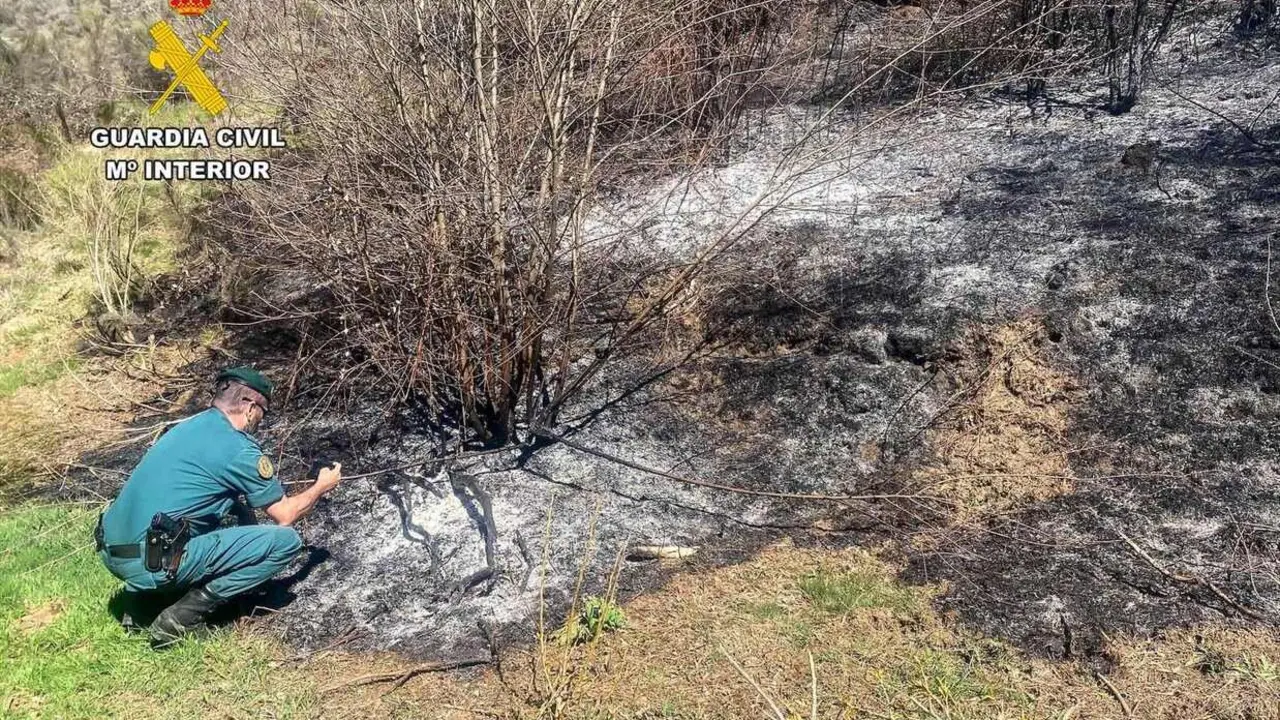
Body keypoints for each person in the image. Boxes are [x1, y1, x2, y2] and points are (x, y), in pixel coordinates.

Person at [96, 366, 342, 647]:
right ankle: (180, 619)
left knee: (218, 511)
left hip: (112, 552)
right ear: (249, 407)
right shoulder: (238, 448)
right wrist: (322, 485)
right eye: (263, 411)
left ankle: (142, 604)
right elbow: (285, 515)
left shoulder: (188, 427)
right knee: (286, 541)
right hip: (150, 563)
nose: (261, 419)